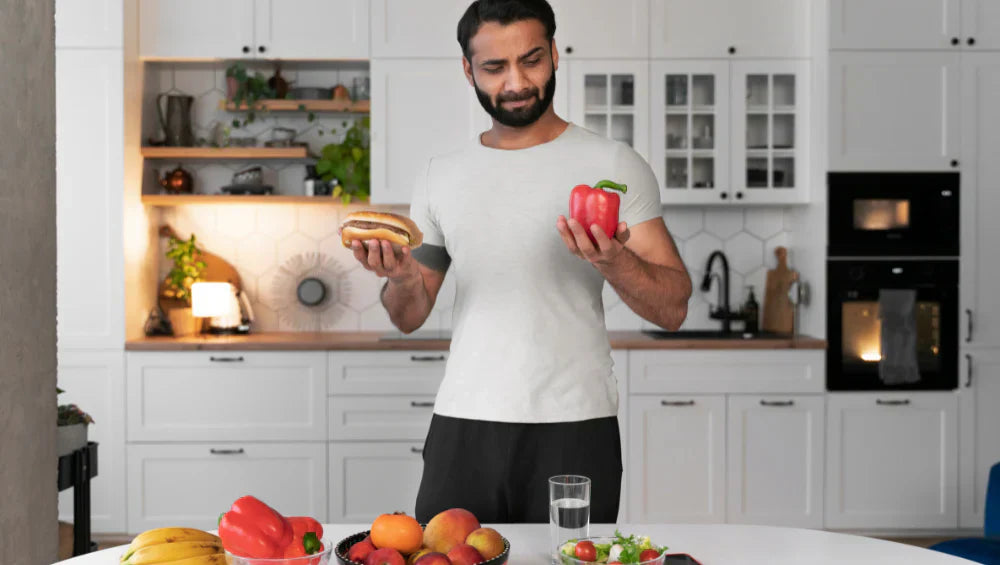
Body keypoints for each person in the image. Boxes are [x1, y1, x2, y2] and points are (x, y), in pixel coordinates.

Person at [346, 0, 692, 524]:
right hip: (464, 420)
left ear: (554, 54)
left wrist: (614, 261)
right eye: (494, 67)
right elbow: (409, 314)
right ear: (468, 70)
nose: (516, 82)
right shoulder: (442, 175)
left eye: (531, 60)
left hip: (577, 422)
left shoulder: (613, 165)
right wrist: (401, 277)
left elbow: (673, 307)